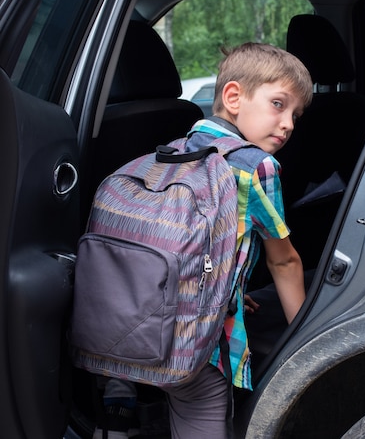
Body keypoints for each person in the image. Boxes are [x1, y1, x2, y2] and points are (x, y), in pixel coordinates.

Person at [94, 42, 313, 439]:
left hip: (135, 326)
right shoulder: (257, 167)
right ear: (233, 97)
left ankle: (117, 399)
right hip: (200, 347)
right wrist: (305, 339)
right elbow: (284, 263)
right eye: (279, 105)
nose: (289, 124)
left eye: (296, 114)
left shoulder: (170, 153)